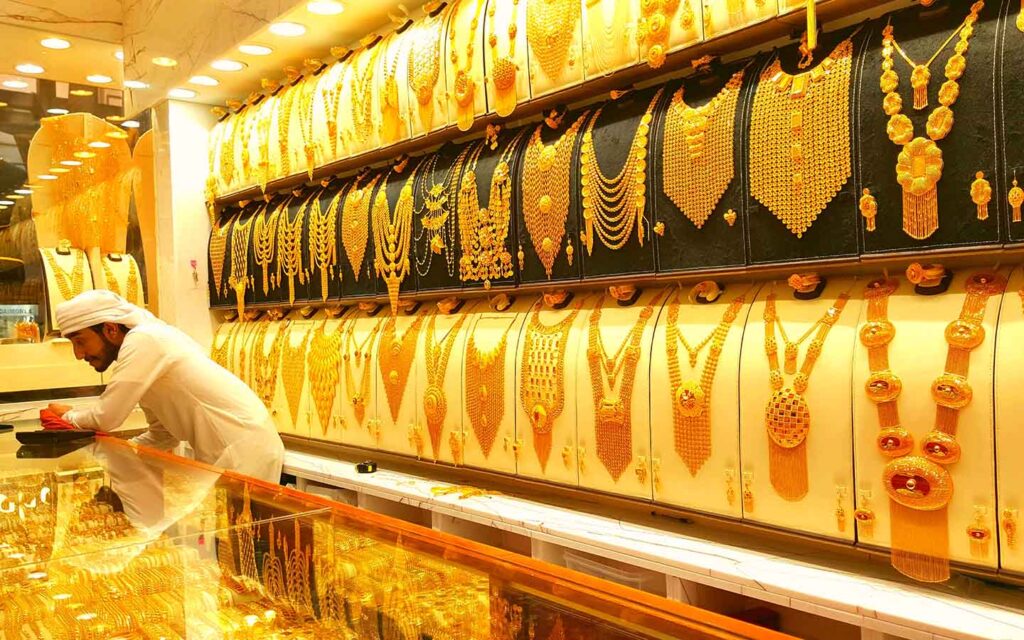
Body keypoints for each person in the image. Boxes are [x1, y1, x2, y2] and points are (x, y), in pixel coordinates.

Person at [47, 290, 284, 483]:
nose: (78, 354)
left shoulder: (144, 340)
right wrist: (116, 457)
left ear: (110, 329)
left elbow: (106, 417)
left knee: (240, 528)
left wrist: (67, 417)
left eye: (80, 342)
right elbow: (163, 434)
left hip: (243, 451)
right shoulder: (143, 348)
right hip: (234, 451)